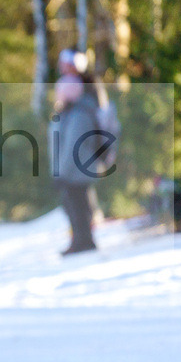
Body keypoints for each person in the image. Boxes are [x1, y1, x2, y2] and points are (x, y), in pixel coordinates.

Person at [49, 49, 100, 255]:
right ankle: (79, 241)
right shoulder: (70, 111)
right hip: (73, 169)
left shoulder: (79, 113)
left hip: (76, 169)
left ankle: (83, 241)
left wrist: (62, 172)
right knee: (73, 206)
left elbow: (72, 146)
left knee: (79, 207)